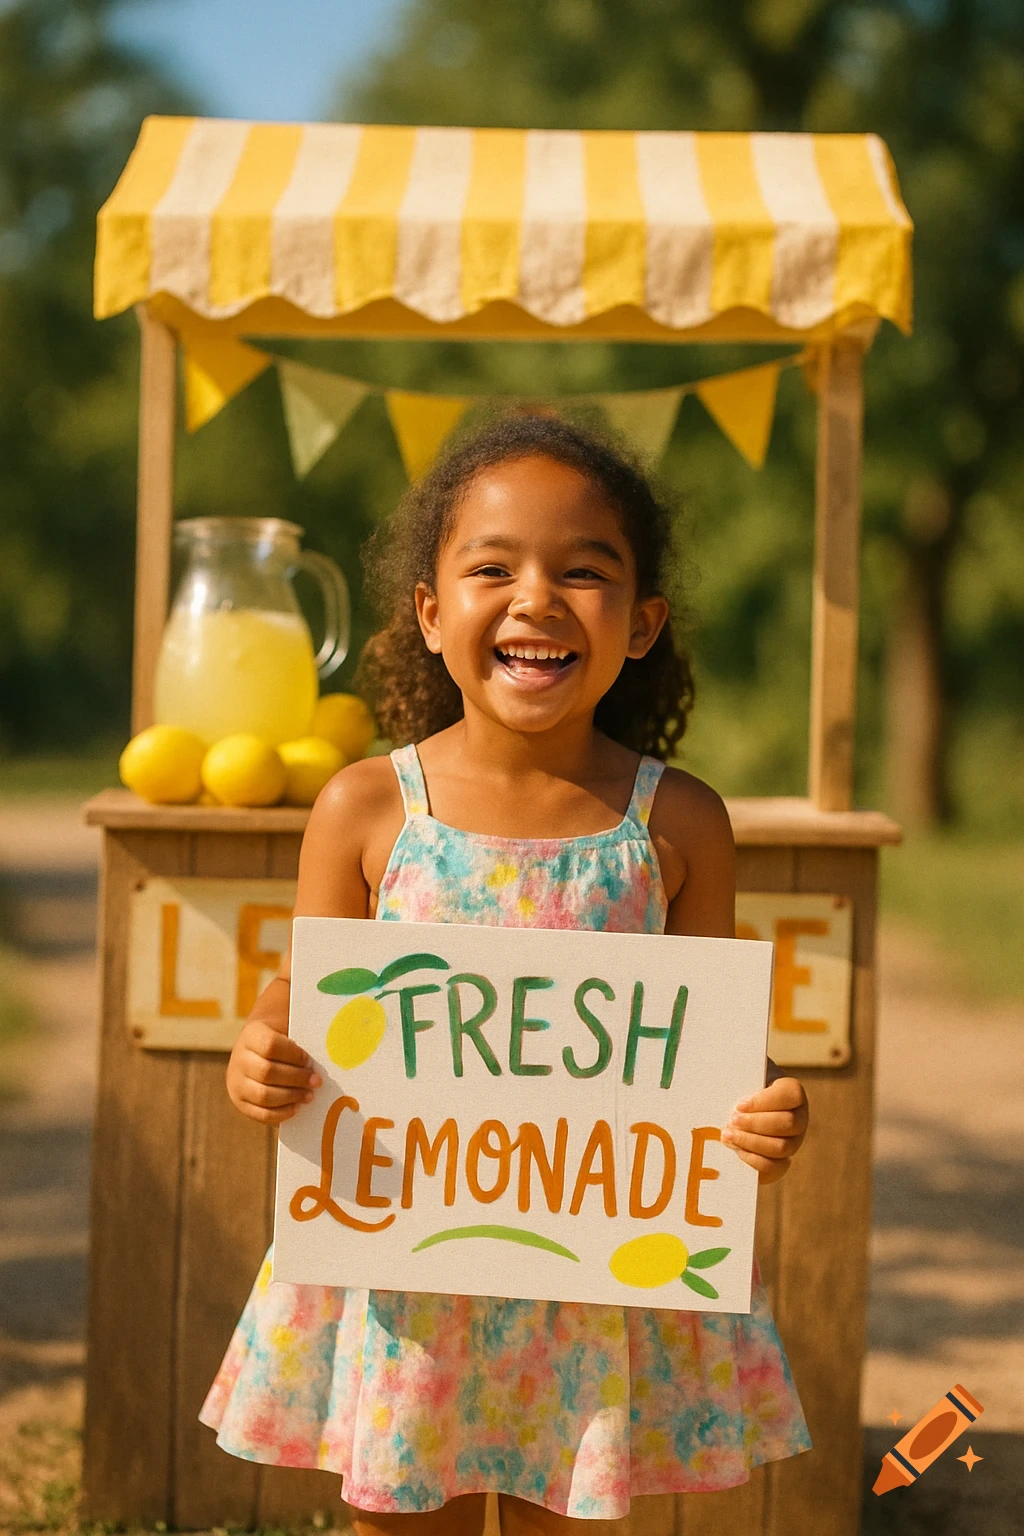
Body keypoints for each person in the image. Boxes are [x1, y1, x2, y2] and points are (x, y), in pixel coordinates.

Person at [201, 415, 811, 1534]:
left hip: (594, 1292)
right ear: (430, 616)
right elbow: (309, 994)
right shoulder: (366, 809)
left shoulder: (679, 823)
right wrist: (264, 1049)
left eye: (584, 572)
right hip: (405, 1276)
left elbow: (712, 1045)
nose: (536, 597)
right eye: (493, 568)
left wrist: (765, 1105)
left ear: (642, 626)